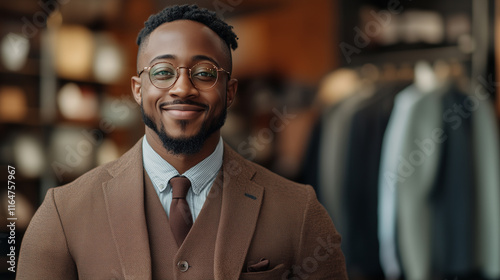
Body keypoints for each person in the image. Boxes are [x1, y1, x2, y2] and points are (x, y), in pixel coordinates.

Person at [17, 5, 347, 279]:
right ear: (137, 89)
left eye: (204, 73)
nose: (182, 88)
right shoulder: (63, 213)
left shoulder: (298, 211)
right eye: (162, 72)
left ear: (229, 91)